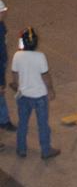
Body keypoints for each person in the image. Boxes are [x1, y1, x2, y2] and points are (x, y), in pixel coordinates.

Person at [10, 27, 60, 160]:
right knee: (43, 124)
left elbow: (14, 75)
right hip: (39, 97)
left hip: (23, 96)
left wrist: (16, 86)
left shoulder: (17, 55)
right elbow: (45, 76)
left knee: (23, 124)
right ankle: (45, 150)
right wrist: (50, 89)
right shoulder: (40, 56)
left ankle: (21, 149)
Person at [0, 0, 15, 132]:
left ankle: (4, 120)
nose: (5, 13)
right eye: (2, 11)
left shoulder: (1, 25)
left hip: (1, 65)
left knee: (1, 96)